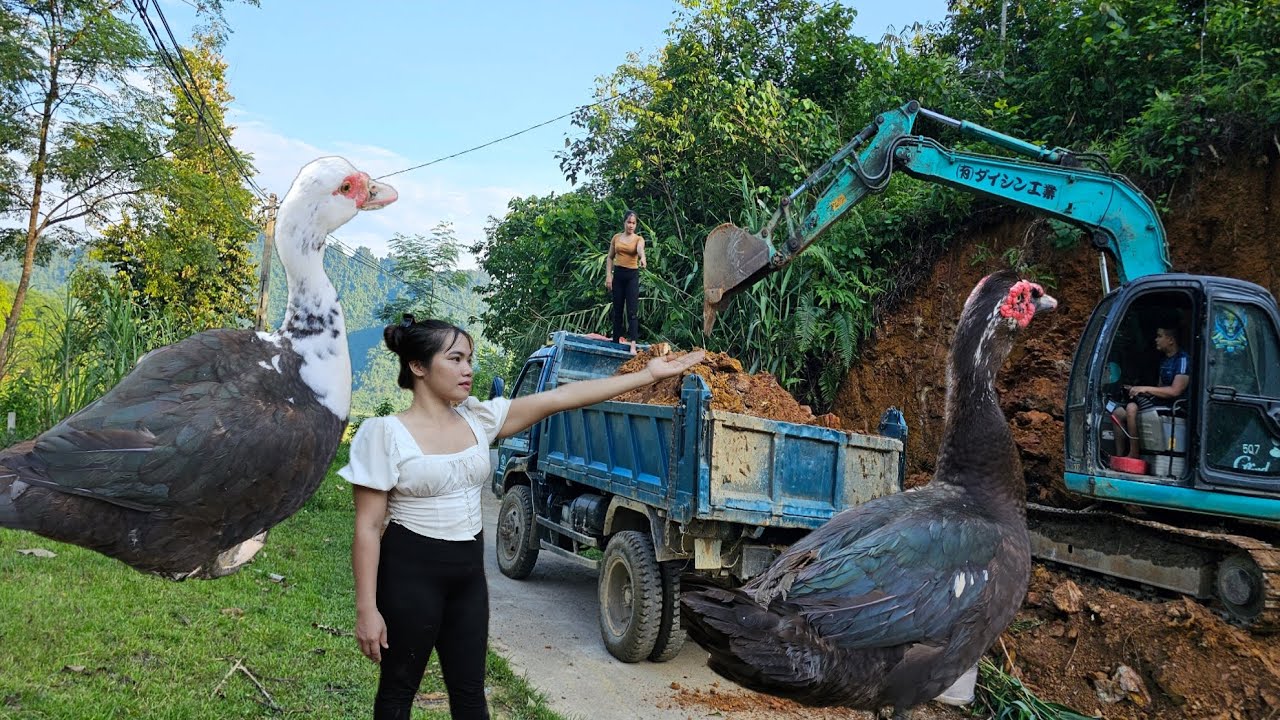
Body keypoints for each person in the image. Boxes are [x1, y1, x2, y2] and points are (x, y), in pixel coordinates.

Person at [341, 315, 704, 720]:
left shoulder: (477, 420)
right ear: (418, 366)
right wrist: (366, 609)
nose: (468, 370)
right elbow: (368, 528)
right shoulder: (384, 434)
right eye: (456, 359)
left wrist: (647, 375)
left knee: (470, 696)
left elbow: (562, 398)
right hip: (409, 576)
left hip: (467, 580)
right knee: (397, 693)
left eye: (470, 359)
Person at [1113, 322, 1191, 459]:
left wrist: (1145, 388)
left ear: (1171, 340)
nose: (1156, 339)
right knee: (1118, 413)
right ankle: (1120, 456)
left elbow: (1175, 391)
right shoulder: (1165, 361)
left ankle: (1134, 454)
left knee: (1131, 408)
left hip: (1175, 406)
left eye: (1159, 336)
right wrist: (1138, 390)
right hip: (1161, 401)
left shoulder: (1182, 359)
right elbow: (1160, 389)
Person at [605, 210, 646, 351]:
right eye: (629, 222)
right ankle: (615, 340)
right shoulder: (616, 238)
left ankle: (633, 344)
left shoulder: (638, 239)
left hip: (632, 276)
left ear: (636, 225)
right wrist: (608, 276)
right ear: (624, 222)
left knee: (632, 311)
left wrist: (643, 258)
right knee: (617, 310)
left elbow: (640, 249)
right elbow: (610, 257)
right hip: (618, 275)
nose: (631, 225)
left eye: (634, 223)